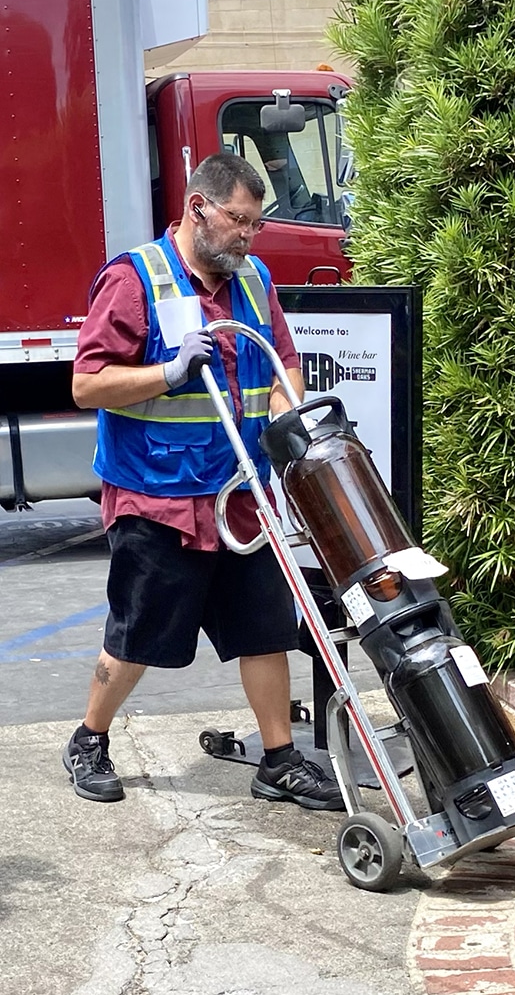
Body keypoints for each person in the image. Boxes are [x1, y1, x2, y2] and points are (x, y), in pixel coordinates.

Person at [64, 153, 342, 810]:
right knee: (137, 635)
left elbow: (283, 362)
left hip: (242, 495)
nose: (247, 237)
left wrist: (290, 416)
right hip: (158, 497)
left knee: (265, 629)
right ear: (197, 208)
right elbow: (86, 384)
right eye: (238, 222)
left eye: (257, 225)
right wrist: (166, 373)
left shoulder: (254, 279)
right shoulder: (136, 280)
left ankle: (278, 761)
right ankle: (89, 738)